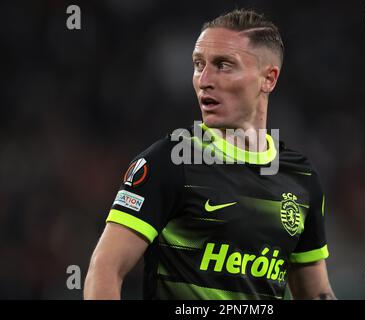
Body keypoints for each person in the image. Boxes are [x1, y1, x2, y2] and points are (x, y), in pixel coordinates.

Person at [84, 9, 336, 300]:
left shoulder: (301, 177)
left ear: (268, 79)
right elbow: (105, 269)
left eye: (223, 65)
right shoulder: (169, 162)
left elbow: (316, 293)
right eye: (198, 64)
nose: (204, 79)